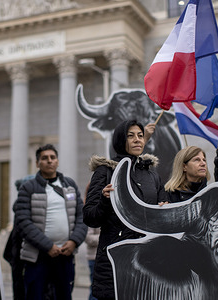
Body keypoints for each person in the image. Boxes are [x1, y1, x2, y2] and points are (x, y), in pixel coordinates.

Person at [83, 119, 167, 300]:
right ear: (120, 140)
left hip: (149, 261)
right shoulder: (105, 172)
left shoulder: (153, 176)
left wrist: (164, 209)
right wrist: (105, 201)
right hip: (116, 261)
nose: (137, 140)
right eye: (131, 136)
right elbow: (90, 217)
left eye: (140, 135)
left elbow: (162, 208)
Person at [13, 144, 87, 300]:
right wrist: (48, 246)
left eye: (52, 158)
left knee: (64, 296)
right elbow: (23, 222)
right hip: (38, 257)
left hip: (65, 254)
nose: (49, 161)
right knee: (35, 296)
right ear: (37, 163)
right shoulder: (28, 188)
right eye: (44, 158)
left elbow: (81, 216)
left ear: (57, 161)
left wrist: (74, 241)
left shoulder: (69, 185)